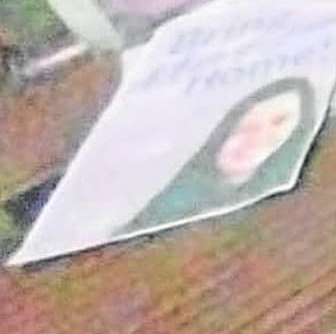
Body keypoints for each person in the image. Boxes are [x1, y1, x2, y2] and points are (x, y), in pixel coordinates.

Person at [119, 78, 319, 236]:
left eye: (279, 122)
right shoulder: (160, 189)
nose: (256, 137)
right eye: (246, 124)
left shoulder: (284, 207)